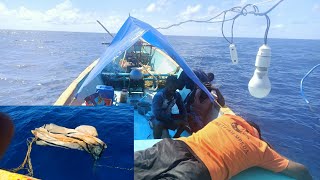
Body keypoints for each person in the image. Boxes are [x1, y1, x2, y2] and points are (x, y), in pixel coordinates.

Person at [134, 114, 313, 180]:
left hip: (174, 146)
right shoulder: (261, 149)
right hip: (199, 169)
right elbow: (300, 171)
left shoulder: (225, 119)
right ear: (256, 134)